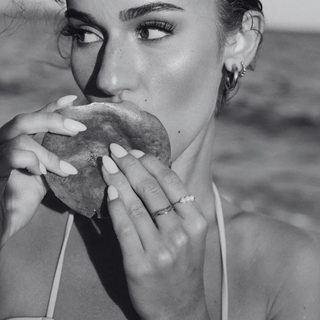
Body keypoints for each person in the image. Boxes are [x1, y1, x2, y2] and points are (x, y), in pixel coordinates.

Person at [1, 0, 320, 319]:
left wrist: (184, 312)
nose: (108, 79)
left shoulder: (291, 273)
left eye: (152, 30)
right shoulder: (15, 225)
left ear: (239, 42)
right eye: (85, 33)